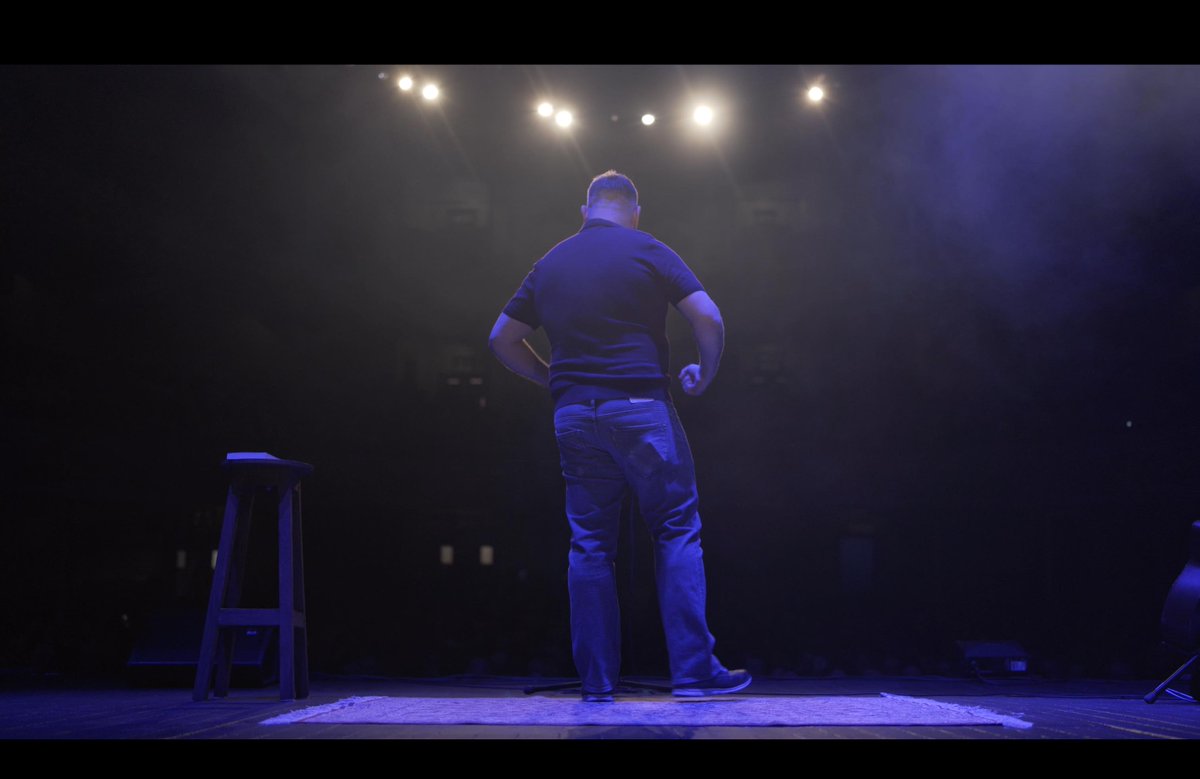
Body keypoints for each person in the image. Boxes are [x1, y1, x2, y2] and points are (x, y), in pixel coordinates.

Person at [489, 170, 750, 701]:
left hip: (574, 416)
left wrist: (551, 378)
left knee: (589, 546)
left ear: (584, 211)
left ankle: (597, 685)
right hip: (640, 407)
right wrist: (707, 369)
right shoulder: (647, 247)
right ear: (635, 211)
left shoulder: (551, 260)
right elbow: (710, 316)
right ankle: (695, 675)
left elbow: (501, 338)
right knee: (675, 529)